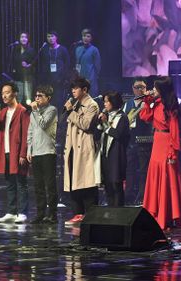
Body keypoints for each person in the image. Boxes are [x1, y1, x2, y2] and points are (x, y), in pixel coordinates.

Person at [139, 77, 181, 230]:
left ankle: (167, 215)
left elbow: (175, 131)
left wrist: (173, 152)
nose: (153, 90)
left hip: (166, 143)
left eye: (155, 88)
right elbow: (145, 117)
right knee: (156, 176)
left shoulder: (171, 107)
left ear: (162, 90)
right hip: (157, 142)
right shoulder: (156, 104)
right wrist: (147, 102)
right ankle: (155, 212)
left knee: (168, 179)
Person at [63, 77, 100, 225]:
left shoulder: (92, 105)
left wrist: (71, 111)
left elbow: (86, 124)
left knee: (87, 182)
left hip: (84, 147)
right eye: (72, 88)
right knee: (73, 180)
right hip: (72, 147)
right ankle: (77, 213)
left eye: (76, 88)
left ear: (84, 90)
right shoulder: (75, 103)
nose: (73, 90)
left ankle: (91, 214)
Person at [0, 82, 30, 224]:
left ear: (15, 93)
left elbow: (26, 133)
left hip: (17, 152)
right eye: (2, 93)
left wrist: (23, 153)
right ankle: (11, 211)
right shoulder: (2, 112)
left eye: (7, 92)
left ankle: (23, 212)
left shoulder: (22, 111)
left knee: (21, 182)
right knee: (9, 182)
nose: (4, 95)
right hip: (5, 151)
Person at [27, 85, 58, 224]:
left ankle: (52, 214)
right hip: (36, 152)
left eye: (40, 96)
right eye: (36, 96)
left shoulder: (52, 110)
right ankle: (40, 213)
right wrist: (29, 150)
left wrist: (35, 110)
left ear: (48, 98)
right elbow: (31, 132)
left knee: (50, 185)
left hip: (48, 151)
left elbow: (44, 124)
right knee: (38, 185)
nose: (37, 99)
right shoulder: (33, 113)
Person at [122, 77, 153, 204]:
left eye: (142, 87)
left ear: (146, 89)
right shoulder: (128, 104)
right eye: (137, 87)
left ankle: (142, 198)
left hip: (144, 141)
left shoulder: (149, 103)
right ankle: (129, 197)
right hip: (130, 142)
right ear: (132, 89)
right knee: (129, 170)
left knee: (143, 171)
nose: (139, 90)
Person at [97, 91, 129, 206]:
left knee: (116, 185)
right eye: (104, 102)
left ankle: (118, 213)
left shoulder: (122, 117)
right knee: (108, 185)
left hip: (116, 155)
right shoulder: (107, 115)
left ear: (114, 102)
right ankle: (111, 211)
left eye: (107, 102)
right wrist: (101, 122)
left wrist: (105, 124)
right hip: (105, 154)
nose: (104, 104)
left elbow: (117, 134)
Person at [38, 31, 70, 111]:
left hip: (59, 80)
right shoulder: (44, 50)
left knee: (58, 101)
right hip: (48, 80)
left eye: (52, 36)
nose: (50, 38)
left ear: (56, 37)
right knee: (48, 100)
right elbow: (41, 63)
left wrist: (63, 77)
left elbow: (67, 64)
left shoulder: (62, 49)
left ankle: (58, 119)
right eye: (48, 37)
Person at [74, 28, 101, 97]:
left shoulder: (94, 50)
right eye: (84, 36)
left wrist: (94, 77)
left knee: (91, 97)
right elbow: (77, 64)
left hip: (91, 78)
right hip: (80, 78)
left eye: (88, 36)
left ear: (91, 38)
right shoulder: (78, 49)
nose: (85, 38)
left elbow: (97, 66)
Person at [11, 32, 35, 105]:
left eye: (25, 37)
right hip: (18, 78)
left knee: (28, 99)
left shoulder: (31, 50)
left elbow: (35, 63)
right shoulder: (16, 50)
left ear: (28, 39)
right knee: (19, 98)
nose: (23, 39)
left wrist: (29, 65)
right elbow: (12, 62)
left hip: (28, 78)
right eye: (22, 37)